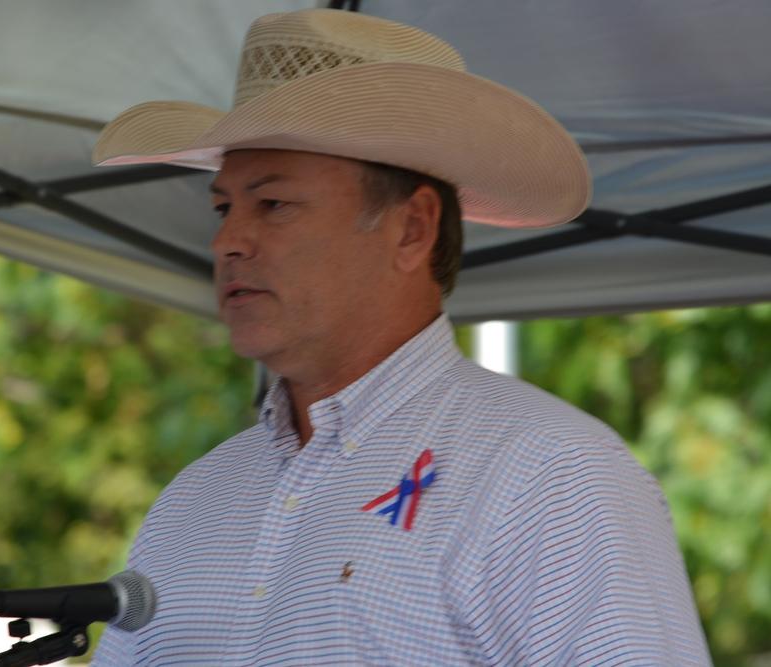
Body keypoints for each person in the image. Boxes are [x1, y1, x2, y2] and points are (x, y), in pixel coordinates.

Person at [89, 8, 711, 666]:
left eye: (272, 203)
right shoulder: (196, 497)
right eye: (223, 206)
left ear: (413, 227)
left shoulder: (550, 477)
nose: (226, 241)